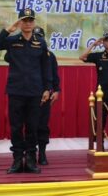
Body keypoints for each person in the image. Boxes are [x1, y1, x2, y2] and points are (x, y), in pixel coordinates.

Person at [0, 8, 52, 174]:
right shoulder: (12, 40)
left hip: (35, 90)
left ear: (34, 22)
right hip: (16, 90)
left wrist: (48, 88)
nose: (28, 23)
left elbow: (46, 67)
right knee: (16, 127)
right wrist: (9, 30)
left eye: (30, 20)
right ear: (19, 22)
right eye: (24, 20)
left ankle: (30, 159)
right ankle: (17, 160)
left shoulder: (40, 42)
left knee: (32, 126)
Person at [79, 31, 108, 151]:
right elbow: (82, 57)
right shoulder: (99, 56)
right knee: (100, 120)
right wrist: (94, 44)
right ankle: (100, 145)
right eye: (107, 40)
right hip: (101, 94)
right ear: (103, 42)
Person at [32, 27, 60, 165]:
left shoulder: (50, 55)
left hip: (45, 94)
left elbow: (55, 75)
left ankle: (42, 153)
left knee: (42, 125)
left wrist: (56, 90)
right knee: (30, 124)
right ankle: (30, 153)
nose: (38, 40)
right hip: (29, 94)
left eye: (40, 37)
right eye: (35, 37)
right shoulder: (27, 54)